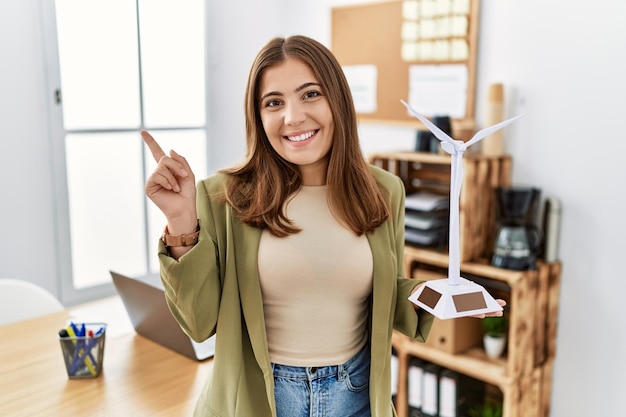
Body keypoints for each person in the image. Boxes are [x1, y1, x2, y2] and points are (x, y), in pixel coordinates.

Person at [142, 35, 504, 417]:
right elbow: (200, 324)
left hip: (356, 394)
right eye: (274, 102)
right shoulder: (223, 197)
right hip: (258, 399)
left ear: (338, 101)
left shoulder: (384, 191)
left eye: (310, 94)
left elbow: (386, 291)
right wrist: (180, 220)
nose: (293, 117)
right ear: (258, 116)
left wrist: (438, 294)